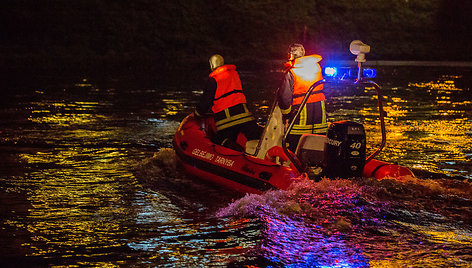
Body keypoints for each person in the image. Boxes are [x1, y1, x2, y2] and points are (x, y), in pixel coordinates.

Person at [195, 54, 260, 150]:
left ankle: (234, 148)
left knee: (219, 140)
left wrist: (197, 113)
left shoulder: (213, 80)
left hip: (226, 120)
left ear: (212, 65)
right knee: (255, 136)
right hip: (245, 116)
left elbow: (206, 100)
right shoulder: (235, 74)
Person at [277, 43, 327, 152]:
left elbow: (284, 96)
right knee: (317, 147)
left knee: (294, 147)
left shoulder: (292, 72)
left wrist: (286, 114)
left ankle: (294, 166)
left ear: (290, 55)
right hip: (320, 117)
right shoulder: (317, 67)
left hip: (300, 118)